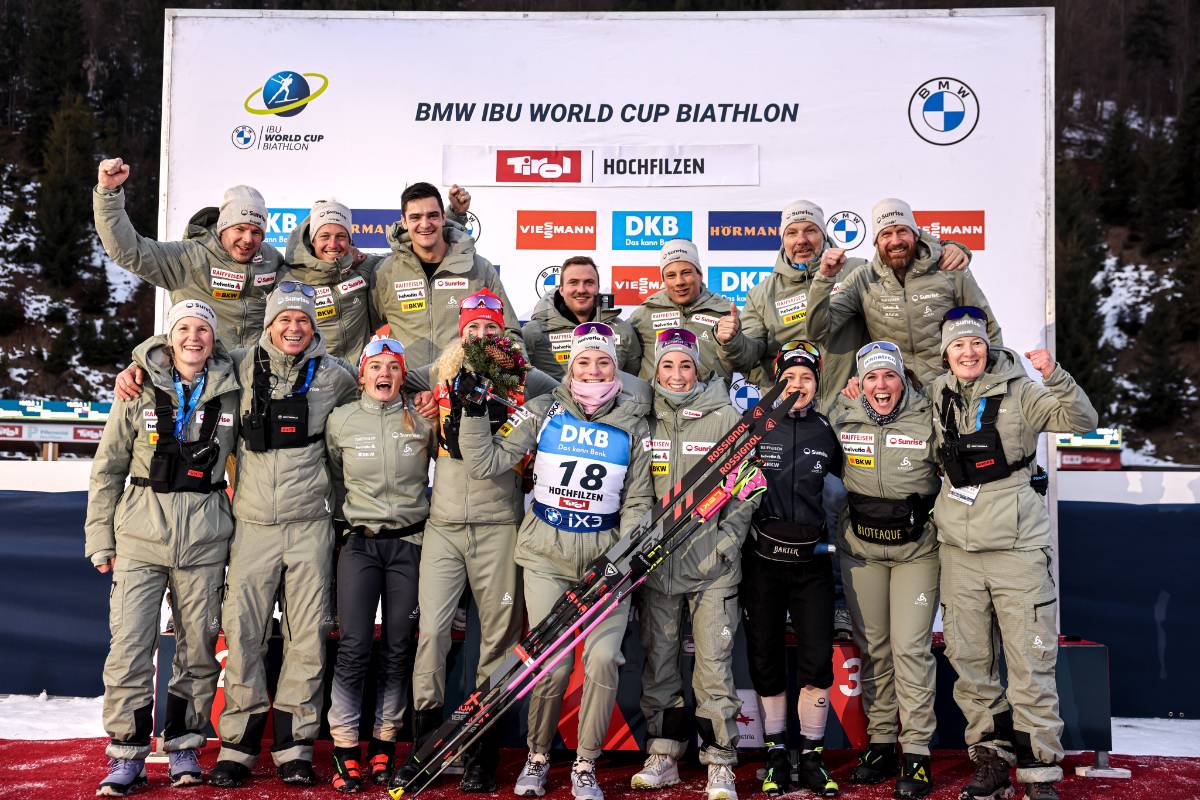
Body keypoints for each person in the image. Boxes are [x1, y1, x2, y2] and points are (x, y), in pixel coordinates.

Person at [458, 322, 654, 800]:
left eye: (603, 362)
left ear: (616, 369)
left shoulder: (634, 422)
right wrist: (473, 412)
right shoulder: (543, 410)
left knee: (604, 659)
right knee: (553, 663)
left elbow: (638, 501)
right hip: (547, 554)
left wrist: (621, 557)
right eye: (584, 361)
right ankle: (538, 755)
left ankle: (585, 764)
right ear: (570, 367)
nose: (593, 370)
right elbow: (485, 463)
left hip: (605, 560)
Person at [395, 289, 558, 793]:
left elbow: (573, 393)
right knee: (432, 636)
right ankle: (424, 747)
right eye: (474, 329)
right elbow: (388, 376)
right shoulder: (441, 370)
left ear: (504, 332)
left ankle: (481, 753)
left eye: (491, 328)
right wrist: (415, 399)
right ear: (461, 333)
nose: (483, 336)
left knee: (497, 642)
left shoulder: (529, 379)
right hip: (443, 526)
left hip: (499, 526)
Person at [930, 309, 1097, 800]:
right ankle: (992, 760)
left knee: (1029, 663)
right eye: (958, 346)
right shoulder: (937, 392)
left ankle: (1039, 771)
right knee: (970, 663)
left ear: (989, 347)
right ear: (945, 353)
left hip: (1017, 549)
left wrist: (1055, 375)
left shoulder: (1023, 391)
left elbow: (1082, 420)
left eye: (975, 344)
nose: (968, 353)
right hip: (958, 552)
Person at [85, 300, 240, 795]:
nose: (194, 338)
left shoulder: (234, 390)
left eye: (203, 330)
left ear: (214, 339)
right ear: (169, 339)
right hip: (140, 536)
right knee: (130, 647)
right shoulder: (137, 388)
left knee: (198, 650)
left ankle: (184, 745)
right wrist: (100, 538)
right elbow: (108, 468)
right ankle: (127, 752)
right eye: (184, 329)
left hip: (206, 539)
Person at [630, 328, 756, 800]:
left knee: (714, 668)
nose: (678, 374)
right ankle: (663, 754)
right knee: (659, 664)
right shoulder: (644, 417)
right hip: (658, 566)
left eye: (686, 364)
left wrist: (727, 542)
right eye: (668, 365)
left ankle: (719, 761)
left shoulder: (725, 416)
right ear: (656, 370)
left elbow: (748, 487)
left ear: (698, 368)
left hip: (712, 568)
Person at [714, 201, 970, 412]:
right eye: (792, 233)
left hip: (851, 408)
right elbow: (747, 356)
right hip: (789, 411)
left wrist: (948, 248)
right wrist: (732, 340)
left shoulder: (856, 271)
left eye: (810, 230)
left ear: (824, 235)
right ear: (783, 239)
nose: (801, 240)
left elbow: (899, 255)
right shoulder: (761, 294)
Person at [324, 337, 436, 793]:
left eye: (393, 367)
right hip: (360, 544)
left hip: (410, 543)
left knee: (397, 646)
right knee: (353, 645)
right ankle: (345, 745)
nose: (384, 374)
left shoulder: (423, 418)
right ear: (362, 375)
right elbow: (334, 477)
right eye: (376, 366)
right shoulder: (341, 420)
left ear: (402, 375)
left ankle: (385, 740)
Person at [830, 342, 941, 799]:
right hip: (862, 552)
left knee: (910, 648)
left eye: (889, 376)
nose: (881, 385)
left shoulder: (928, 415)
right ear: (860, 383)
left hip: (917, 552)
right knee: (873, 648)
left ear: (902, 380)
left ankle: (916, 751)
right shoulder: (843, 415)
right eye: (872, 377)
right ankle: (880, 743)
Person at [740, 341, 841, 798]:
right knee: (765, 657)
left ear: (818, 383)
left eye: (806, 378)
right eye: (789, 377)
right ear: (775, 381)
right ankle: (777, 752)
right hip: (762, 563)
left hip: (812, 563)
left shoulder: (828, 429)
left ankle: (813, 755)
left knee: (817, 658)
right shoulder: (754, 425)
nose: (797, 385)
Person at [94, 157, 282, 349]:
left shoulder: (271, 258)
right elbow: (130, 251)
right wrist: (108, 193)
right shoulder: (188, 257)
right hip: (206, 363)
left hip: (256, 364)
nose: (248, 239)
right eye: (240, 229)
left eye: (256, 232)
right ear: (223, 228)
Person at [808, 198, 998, 386]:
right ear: (876, 242)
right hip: (897, 395)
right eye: (886, 234)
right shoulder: (863, 279)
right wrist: (824, 278)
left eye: (902, 231)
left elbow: (988, 327)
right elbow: (818, 332)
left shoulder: (948, 268)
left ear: (916, 234)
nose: (896, 241)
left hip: (949, 390)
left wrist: (994, 383)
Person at [281, 190, 474, 365]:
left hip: (355, 381)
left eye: (341, 236)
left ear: (350, 240)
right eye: (324, 236)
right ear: (312, 240)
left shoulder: (365, 268)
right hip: (312, 380)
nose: (333, 244)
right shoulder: (289, 279)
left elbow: (415, 254)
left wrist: (453, 216)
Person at [371, 182, 519, 369]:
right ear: (404, 222)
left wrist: (514, 375)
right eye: (415, 217)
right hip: (408, 385)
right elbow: (359, 330)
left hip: (464, 384)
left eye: (432, 215)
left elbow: (510, 332)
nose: (425, 224)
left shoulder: (479, 269)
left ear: (443, 217)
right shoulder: (385, 272)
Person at [627, 239, 734, 383]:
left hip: (711, 397)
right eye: (671, 275)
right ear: (664, 280)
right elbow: (624, 365)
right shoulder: (643, 315)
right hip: (656, 398)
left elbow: (748, 361)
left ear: (699, 275)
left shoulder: (726, 313)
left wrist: (735, 341)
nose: (679, 282)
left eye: (686, 272)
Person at [522, 256, 641, 379]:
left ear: (598, 288)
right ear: (561, 289)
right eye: (573, 282)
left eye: (589, 283)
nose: (581, 290)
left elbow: (633, 381)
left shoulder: (622, 330)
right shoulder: (533, 332)